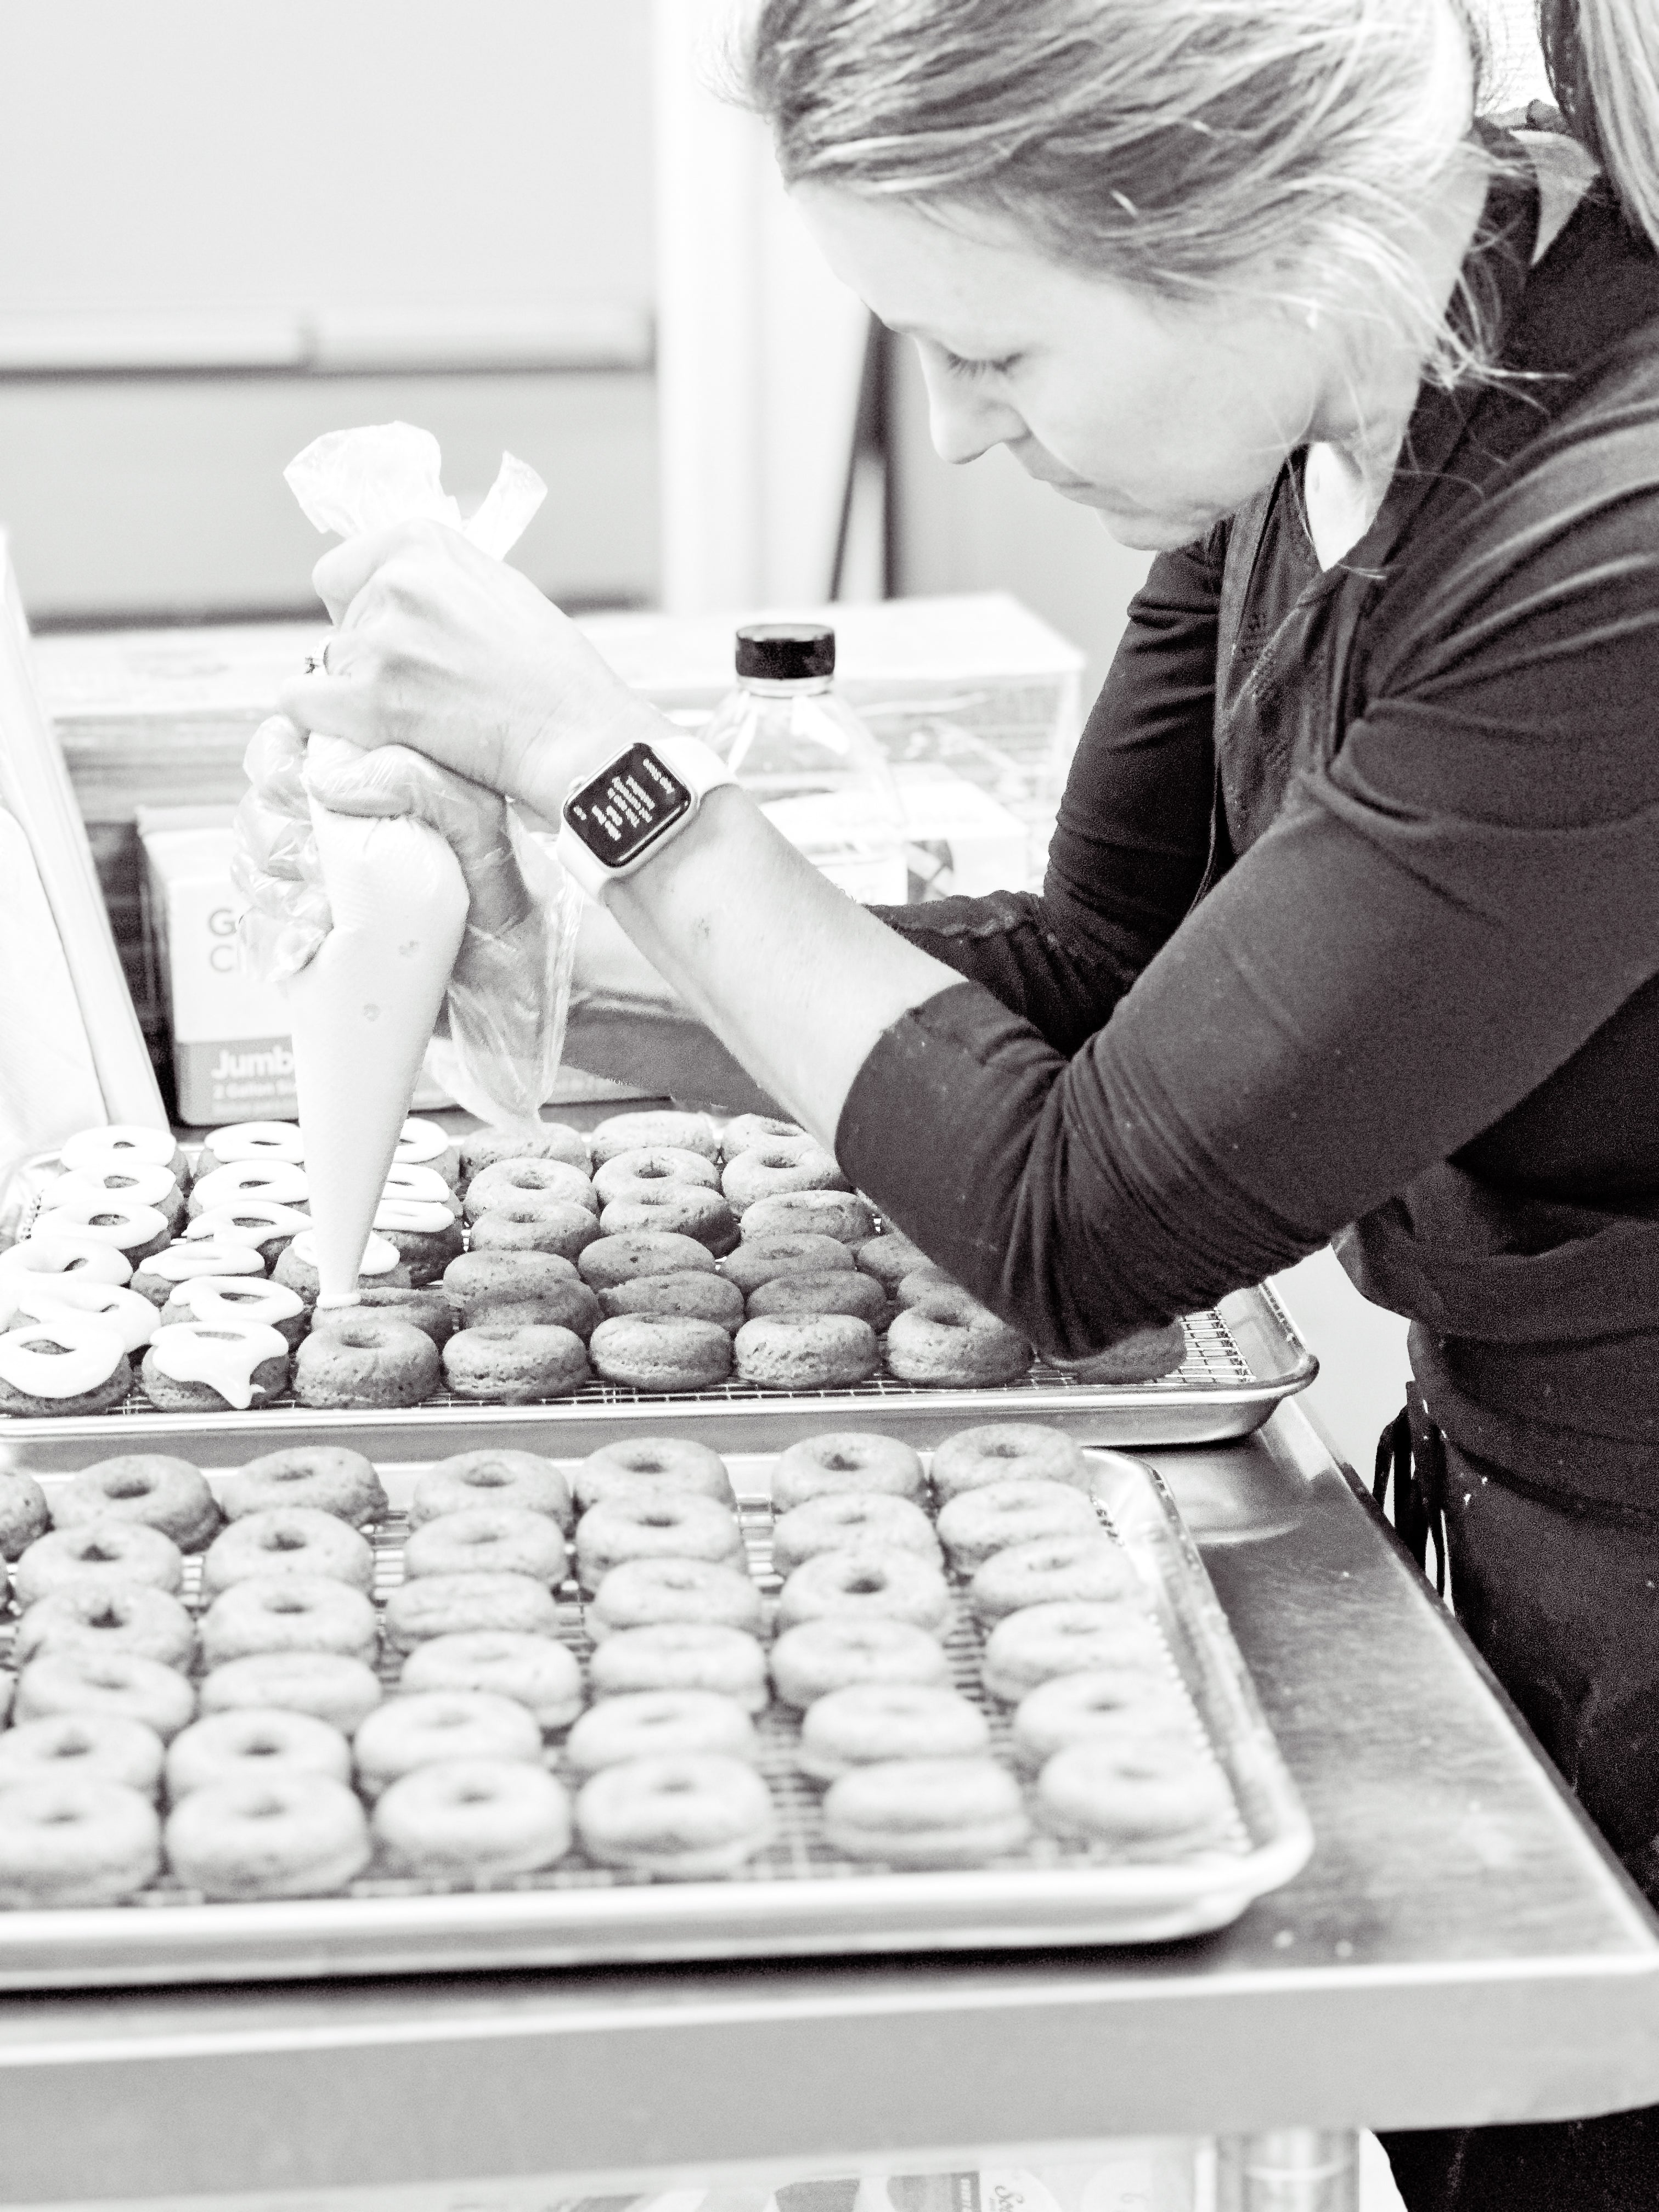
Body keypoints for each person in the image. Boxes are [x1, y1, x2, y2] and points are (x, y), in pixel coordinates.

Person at [259, 1, 1659, 2199]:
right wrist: (508, 917)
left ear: (1252, 224)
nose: (972, 429)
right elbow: (1073, 983)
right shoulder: (1318, 413)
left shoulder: (1611, 541)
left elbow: (1078, 1215)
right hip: (1526, 1540)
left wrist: (612, 774)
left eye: (999, 356)